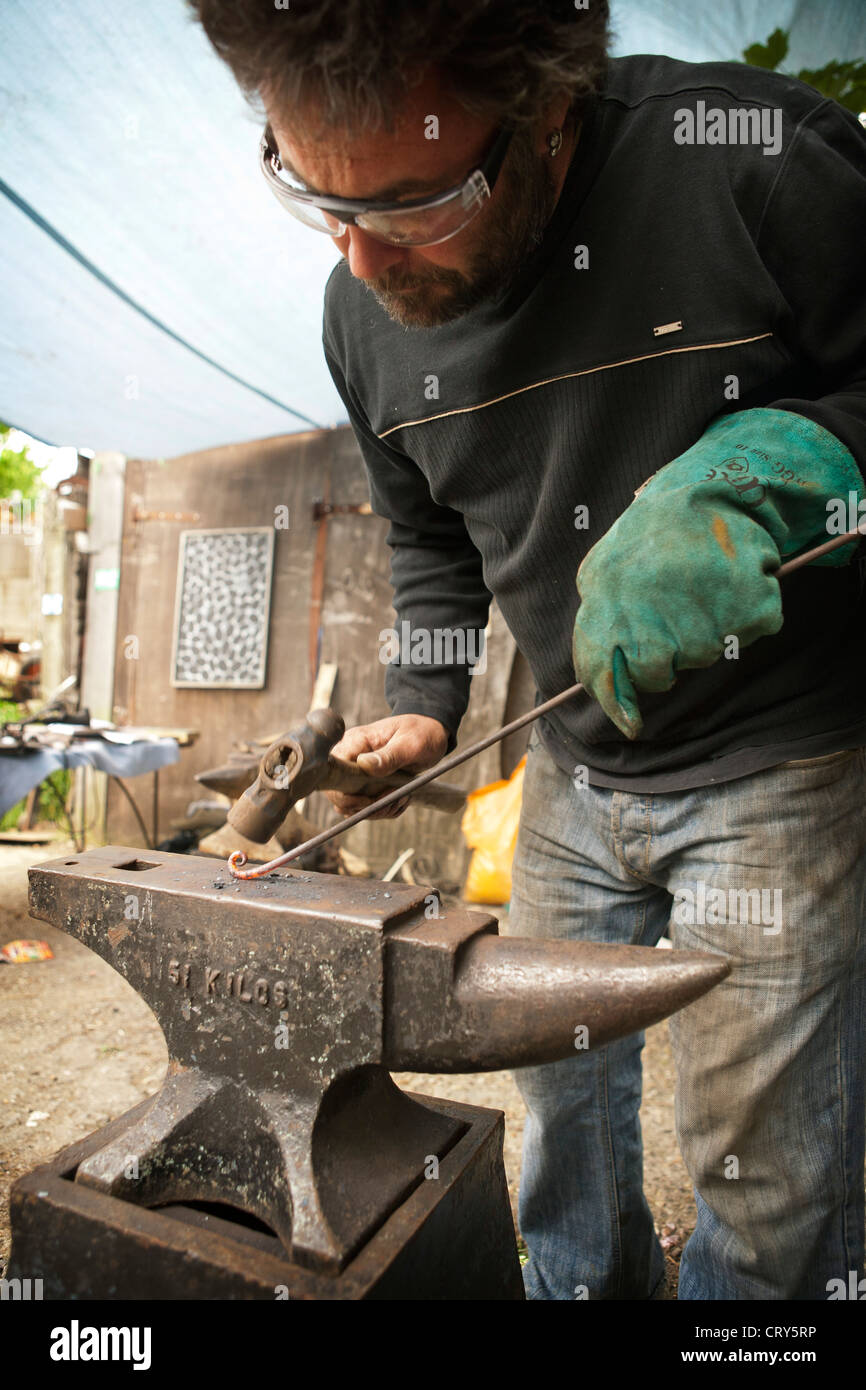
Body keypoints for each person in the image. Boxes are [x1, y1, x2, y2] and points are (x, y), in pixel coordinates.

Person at [191, 0, 866, 1299]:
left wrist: (775, 465)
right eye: (314, 198)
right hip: (565, 766)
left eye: (410, 205)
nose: (361, 260)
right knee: (561, 1112)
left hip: (784, 754)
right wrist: (428, 700)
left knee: (764, 1165)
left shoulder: (752, 164)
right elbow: (428, 534)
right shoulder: (357, 314)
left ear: (548, 114)